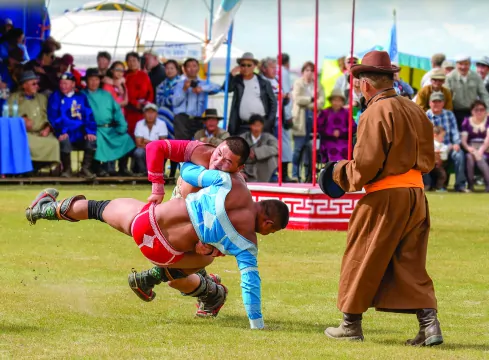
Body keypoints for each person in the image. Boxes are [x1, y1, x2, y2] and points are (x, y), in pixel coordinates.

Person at [26, 137, 290, 330]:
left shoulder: (226, 180)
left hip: (147, 222)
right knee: (203, 261)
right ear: (267, 225)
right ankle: (158, 280)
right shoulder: (245, 238)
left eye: (227, 161)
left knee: (98, 208)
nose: (219, 162)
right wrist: (257, 325)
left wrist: (182, 180)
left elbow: (188, 171)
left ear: (238, 168)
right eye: (219, 155)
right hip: (168, 252)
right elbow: (250, 284)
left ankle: (44, 209)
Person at [319, 50, 442, 346]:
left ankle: (350, 325)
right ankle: (430, 325)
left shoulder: (375, 111)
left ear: (365, 84)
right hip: (415, 194)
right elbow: (429, 158)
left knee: (362, 254)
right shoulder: (414, 108)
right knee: (410, 261)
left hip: (385, 196)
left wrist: (337, 174)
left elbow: (366, 165)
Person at [82, 68, 135, 177]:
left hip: (110, 129)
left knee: (126, 139)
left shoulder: (106, 95)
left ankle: (123, 168)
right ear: (87, 81)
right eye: (91, 79)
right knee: (96, 141)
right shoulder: (82, 95)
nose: (94, 82)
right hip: (94, 129)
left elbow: (117, 111)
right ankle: (97, 168)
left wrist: (122, 126)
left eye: (96, 79)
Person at [8, 70, 60, 172]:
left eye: (37, 83)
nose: (37, 86)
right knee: (25, 142)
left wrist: (47, 128)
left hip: (41, 132)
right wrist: (21, 120)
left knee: (54, 143)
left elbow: (48, 116)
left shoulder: (42, 98)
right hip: (24, 133)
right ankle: (28, 169)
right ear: (24, 85)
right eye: (33, 84)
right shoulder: (14, 97)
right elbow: (9, 116)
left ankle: (40, 167)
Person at [47, 73, 97, 179]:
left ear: (73, 84)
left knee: (91, 139)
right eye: (61, 83)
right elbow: (53, 117)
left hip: (80, 132)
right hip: (65, 131)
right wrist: (61, 132)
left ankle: (85, 169)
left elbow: (88, 115)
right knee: (64, 140)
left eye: (66, 83)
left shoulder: (81, 97)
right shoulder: (55, 97)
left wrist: (90, 131)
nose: (63, 86)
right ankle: (67, 169)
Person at [226, 52, 277, 136]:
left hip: (261, 124)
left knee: (261, 148)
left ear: (254, 66)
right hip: (242, 125)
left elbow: (273, 103)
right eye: (243, 65)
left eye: (249, 65)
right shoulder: (237, 81)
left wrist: (269, 122)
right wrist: (231, 75)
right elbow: (227, 89)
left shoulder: (263, 82)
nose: (246, 68)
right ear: (239, 67)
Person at [291, 61, 325, 180]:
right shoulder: (298, 83)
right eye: (307, 70)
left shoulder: (318, 85)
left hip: (313, 118)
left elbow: (321, 102)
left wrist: (309, 104)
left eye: (312, 70)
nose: (309, 73)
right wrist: (311, 98)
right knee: (298, 148)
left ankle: (308, 175)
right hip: (300, 119)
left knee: (310, 149)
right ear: (303, 72)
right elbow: (297, 99)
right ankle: (295, 174)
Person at [156, 59, 181, 178]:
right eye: (167, 68)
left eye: (172, 68)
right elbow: (158, 101)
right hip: (162, 120)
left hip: (176, 119)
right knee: (163, 145)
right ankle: (161, 173)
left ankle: (172, 173)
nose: (169, 71)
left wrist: (167, 100)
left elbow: (177, 100)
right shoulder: (161, 85)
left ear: (177, 70)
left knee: (174, 146)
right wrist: (168, 100)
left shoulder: (181, 83)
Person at [317, 89, 356, 163]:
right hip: (328, 141)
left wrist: (341, 132)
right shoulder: (325, 113)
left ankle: (344, 169)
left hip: (344, 140)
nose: (337, 103)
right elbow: (319, 127)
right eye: (335, 100)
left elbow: (353, 127)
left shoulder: (346, 113)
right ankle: (333, 168)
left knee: (347, 149)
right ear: (331, 101)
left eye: (339, 101)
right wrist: (331, 133)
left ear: (342, 102)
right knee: (333, 149)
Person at [460, 100, 489, 192]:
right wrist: (469, 149)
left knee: (481, 158)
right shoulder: (466, 121)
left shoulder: (488, 120)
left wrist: (480, 151)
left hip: (486, 148)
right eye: (476, 110)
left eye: (482, 109)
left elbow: (488, 138)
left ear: (485, 111)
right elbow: (464, 141)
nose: (479, 112)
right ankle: (471, 184)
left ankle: (488, 183)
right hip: (471, 148)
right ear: (472, 111)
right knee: (469, 157)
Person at [240, 114, 278, 182]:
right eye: (254, 125)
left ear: (262, 126)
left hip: (265, 168)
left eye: (259, 125)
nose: (256, 128)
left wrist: (256, 152)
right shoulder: (243, 138)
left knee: (273, 158)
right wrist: (240, 171)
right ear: (250, 126)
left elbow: (276, 148)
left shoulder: (268, 137)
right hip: (247, 169)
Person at [124, 52, 154, 139]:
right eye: (129, 61)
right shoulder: (124, 76)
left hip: (142, 110)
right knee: (130, 132)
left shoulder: (144, 75)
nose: (132, 63)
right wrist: (134, 103)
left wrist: (147, 103)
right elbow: (124, 93)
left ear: (138, 62)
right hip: (129, 109)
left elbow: (150, 92)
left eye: (134, 60)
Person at [133, 103, 168, 174]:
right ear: (144, 114)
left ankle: (158, 171)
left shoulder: (162, 124)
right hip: (144, 149)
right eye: (148, 112)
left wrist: (146, 141)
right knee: (138, 152)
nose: (150, 115)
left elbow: (162, 143)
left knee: (162, 152)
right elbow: (139, 143)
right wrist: (154, 143)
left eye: (152, 112)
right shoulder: (139, 124)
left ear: (156, 114)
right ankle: (144, 172)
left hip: (157, 150)